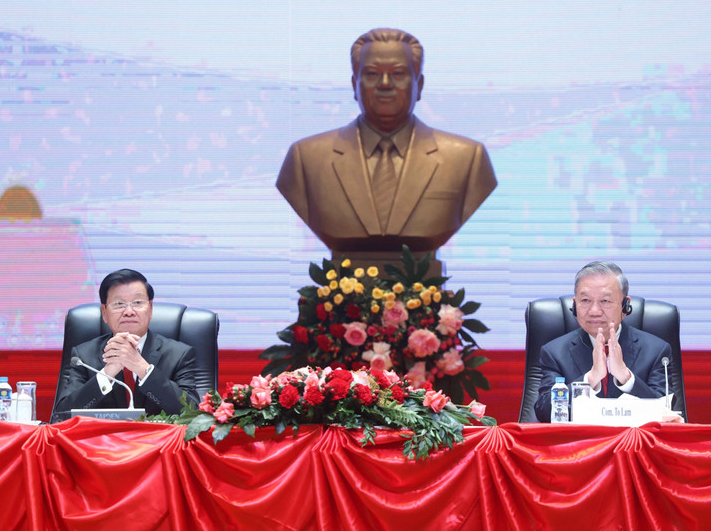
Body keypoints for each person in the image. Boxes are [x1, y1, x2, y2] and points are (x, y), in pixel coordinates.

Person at [277, 28, 497, 253]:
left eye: (398, 73)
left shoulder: (467, 159)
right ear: (355, 85)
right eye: (372, 73)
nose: (384, 83)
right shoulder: (306, 159)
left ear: (419, 85)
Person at [533, 261, 672, 423]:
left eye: (605, 301)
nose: (594, 311)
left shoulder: (656, 351)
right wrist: (589, 380)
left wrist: (627, 379)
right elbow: (543, 413)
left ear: (625, 306)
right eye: (585, 300)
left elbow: (666, 413)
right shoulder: (554, 353)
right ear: (574, 305)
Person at [55, 269, 200, 416]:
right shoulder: (83, 356)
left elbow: (192, 413)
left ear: (150, 308)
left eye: (137, 302)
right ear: (104, 312)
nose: (129, 311)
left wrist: (141, 368)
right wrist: (107, 374)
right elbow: (62, 416)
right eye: (119, 304)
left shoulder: (179, 355)